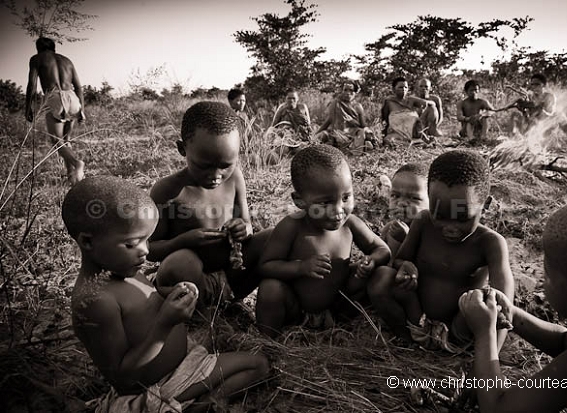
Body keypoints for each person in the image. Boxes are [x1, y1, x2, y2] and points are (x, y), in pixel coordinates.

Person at [64, 176, 269, 412]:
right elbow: (123, 377)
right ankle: (187, 406)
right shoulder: (96, 301)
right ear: (88, 242)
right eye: (132, 244)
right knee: (257, 366)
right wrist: (165, 323)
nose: (145, 251)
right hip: (158, 386)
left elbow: (143, 303)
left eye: (146, 240)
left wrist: (169, 294)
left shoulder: (121, 269)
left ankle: (192, 402)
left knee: (256, 363)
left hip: (184, 361)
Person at [459, 198, 567, 413]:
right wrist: (512, 315)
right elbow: (564, 340)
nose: (541, 279)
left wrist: (484, 333)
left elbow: (498, 409)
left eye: (548, 275)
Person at [368, 150, 514, 351]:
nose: (450, 227)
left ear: (485, 205)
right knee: (382, 277)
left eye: (462, 218)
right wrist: (407, 268)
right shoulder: (422, 222)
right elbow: (401, 260)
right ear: (429, 198)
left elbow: (503, 304)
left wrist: (492, 357)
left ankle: (452, 348)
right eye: (440, 215)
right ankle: (407, 342)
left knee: (485, 298)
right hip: (415, 317)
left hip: (459, 330)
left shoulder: (491, 243)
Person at [255, 144, 391, 337]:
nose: (338, 210)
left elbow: (382, 249)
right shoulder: (292, 226)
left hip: (338, 308)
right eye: (325, 202)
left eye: (346, 197)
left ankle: (344, 327)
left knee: (369, 275)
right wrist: (301, 267)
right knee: (270, 289)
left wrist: (371, 261)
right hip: (297, 311)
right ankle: (269, 342)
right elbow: (266, 266)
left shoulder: (350, 223)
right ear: (299, 200)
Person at [148, 101, 272, 309]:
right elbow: (150, 249)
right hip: (192, 281)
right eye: (204, 166)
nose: (216, 175)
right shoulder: (167, 191)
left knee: (273, 237)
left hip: (233, 276)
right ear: (182, 149)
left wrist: (243, 229)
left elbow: (248, 224)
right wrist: (184, 241)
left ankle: (229, 302)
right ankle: (202, 311)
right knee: (181, 261)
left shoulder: (234, 178)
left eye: (226, 165)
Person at [25, 37, 86, 185]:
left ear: (38, 48)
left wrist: (28, 107)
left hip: (54, 97)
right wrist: (81, 109)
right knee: (66, 140)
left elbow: (32, 84)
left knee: (56, 141)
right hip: (72, 97)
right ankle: (72, 177)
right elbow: (78, 86)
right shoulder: (66, 60)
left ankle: (77, 163)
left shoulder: (36, 58)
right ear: (53, 47)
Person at [380, 163, 429, 258]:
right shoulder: (388, 229)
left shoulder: (430, 232)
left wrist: (406, 239)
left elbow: (428, 261)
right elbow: (380, 254)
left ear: (432, 201)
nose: (401, 203)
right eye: (395, 196)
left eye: (414, 198)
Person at [503, 74, 567, 139]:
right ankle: (511, 139)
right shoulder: (530, 97)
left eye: (537, 84)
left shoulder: (549, 96)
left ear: (543, 85)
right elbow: (527, 116)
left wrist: (537, 108)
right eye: (532, 84)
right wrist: (523, 110)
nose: (534, 87)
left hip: (547, 125)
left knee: (561, 116)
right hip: (532, 126)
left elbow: (551, 113)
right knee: (515, 115)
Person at [315, 81, 376, 152]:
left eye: (351, 90)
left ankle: (357, 147)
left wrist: (368, 131)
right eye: (345, 90)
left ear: (355, 93)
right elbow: (329, 120)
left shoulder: (358, 106)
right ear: (342, 91)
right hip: (337, 133)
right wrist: (317, 133)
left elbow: (363, 125)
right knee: (322, 135)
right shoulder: (335, 103)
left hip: (352, 134)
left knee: (366, 135)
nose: (348, 93)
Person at [380, 77, 436, 145]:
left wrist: (424, 105)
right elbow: (384, 120)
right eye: (400, 87)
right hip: (398, 133)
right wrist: (384, 134)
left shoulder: (411, 100)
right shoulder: (389, 102)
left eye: (405, 87)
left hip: (415, 131)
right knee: (388, 140)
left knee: (432, 108)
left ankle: (427, 137)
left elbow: (432, 104)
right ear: (393, 89)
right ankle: (413, 143)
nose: (403, 89)